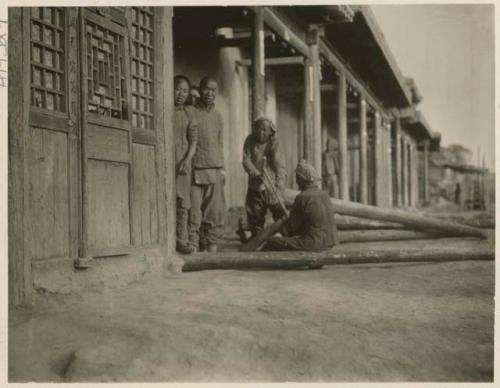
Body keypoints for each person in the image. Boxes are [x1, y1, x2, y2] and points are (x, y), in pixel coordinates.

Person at [262, 161, 339, 251]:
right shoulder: (325, 195)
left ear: (301, 179)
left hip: (314, 244)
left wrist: (277, 211)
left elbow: (291, 230)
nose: (296, 181)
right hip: (330, 243)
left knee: (272, 241)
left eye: (297, 178)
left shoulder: (302, 197)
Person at [189, 76, 226, 253]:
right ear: (200, 89)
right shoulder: (190, 111)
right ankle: (194, 251)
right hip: (195, 168)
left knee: (213, 213)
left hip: (215, 168)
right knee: (195, 212)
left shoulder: (218, 116)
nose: (210, 93)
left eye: (214, 90)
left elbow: (220, 143)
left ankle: (212, 253)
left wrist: (223, 167)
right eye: (207, 89)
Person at [242, 116, 287, 237]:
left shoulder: (274, 142)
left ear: (270, 131)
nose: (260, 132)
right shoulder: (250, 140)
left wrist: (279, 182)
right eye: (258, 129)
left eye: (264, 130)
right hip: (255, 184)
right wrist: (255, 174)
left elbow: (279, 164)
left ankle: (286, 236)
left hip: (271, 184)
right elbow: (246, 160)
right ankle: (257, 237)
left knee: (279, 213)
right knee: (255, 214)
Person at [174, 75, 198, 254]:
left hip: (182, 163)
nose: (181, 94)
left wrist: (186, 160)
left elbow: (193, 141)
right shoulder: (164, 110)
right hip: (166, 161)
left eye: (184, 91)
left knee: (183, 203)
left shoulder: (189, 113)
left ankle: (181, 239)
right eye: (177, 89)